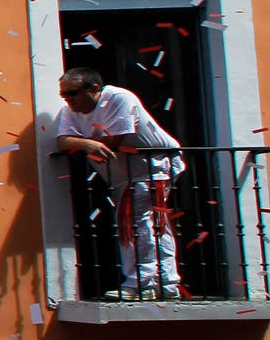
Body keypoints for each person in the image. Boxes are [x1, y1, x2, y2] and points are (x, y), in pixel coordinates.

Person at [55, 66, 186, 299]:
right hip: (126, 175)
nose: (68, 99)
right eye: (63, 95)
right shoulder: (71, 110)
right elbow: (63, 140)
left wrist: (86, 142)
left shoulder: (119, 98)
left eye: (73, 93)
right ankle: (165, 283)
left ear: (94, 89)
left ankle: (142, 283)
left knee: (136, 223)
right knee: (151, 223)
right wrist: (87, 144)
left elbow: (113, 142)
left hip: (152, 168)